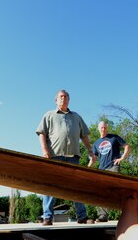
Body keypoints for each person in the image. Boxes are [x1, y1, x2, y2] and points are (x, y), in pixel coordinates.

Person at [36, 89, 96, 226]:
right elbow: (42, 134)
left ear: (69, 100)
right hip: (54, 156)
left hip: (73, 158)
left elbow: (84, 136)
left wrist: (91, 151)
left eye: (66, 96)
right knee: (51, 186)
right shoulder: (49, 115)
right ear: (56, 100)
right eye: (60, 97)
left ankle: (82, 217)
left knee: (76, 187)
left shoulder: (76, 117)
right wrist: (44, 150)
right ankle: (47, 217)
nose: (63, 98)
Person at [88, 120, 131, 221]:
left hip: (113, 167)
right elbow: (93, 159)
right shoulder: (96, 143)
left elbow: (127, 147)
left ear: (107, 128)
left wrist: (122, 158)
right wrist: (87, 168)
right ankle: (103, 215)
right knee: (100, 191)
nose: (103, 129)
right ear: (98, 129)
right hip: (101, 169)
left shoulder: (114, 137)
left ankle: (127, 212)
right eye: (102, 128)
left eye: (105, 127)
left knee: (115, 190)